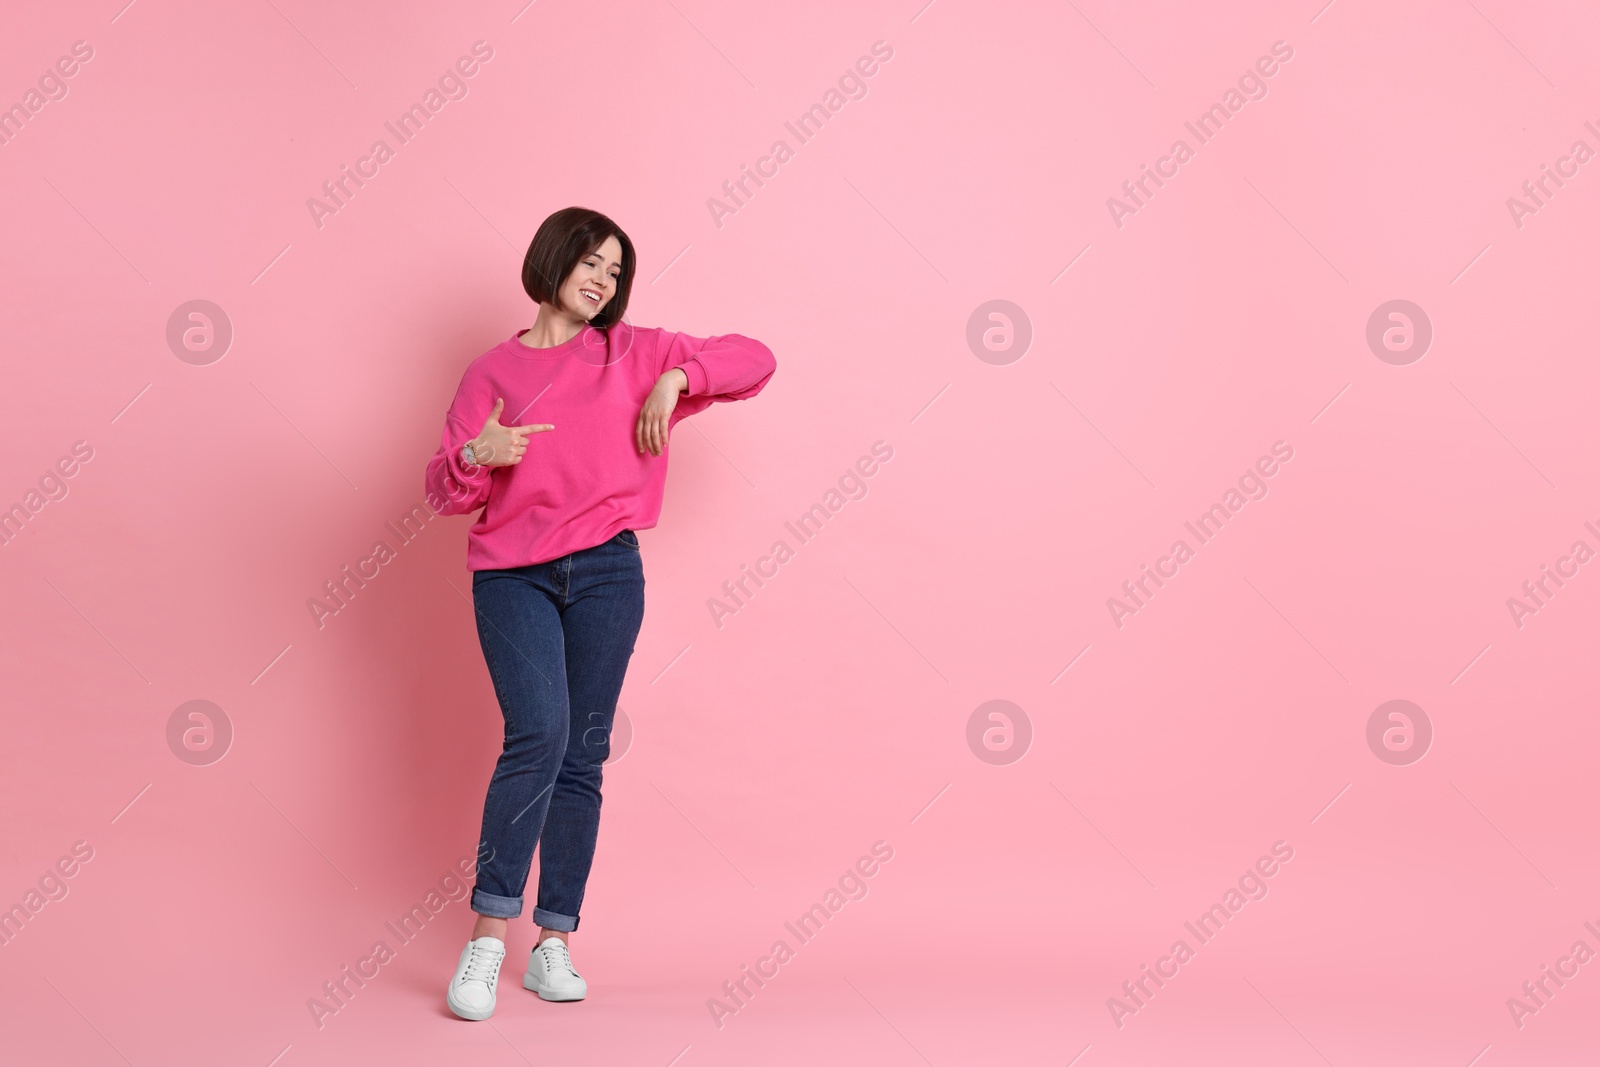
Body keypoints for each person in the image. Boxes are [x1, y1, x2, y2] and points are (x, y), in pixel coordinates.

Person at [424, 206, 776, 1020]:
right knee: (537, 732)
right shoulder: (490, 374)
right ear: (552, 260)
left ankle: (554, 942)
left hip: (610, 573)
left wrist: (677, 377)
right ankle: (487, 935)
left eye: (615, 271)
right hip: (512, 577)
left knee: (582, 750)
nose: (601, 280)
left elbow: (756, 359)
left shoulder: (635, 351)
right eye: (590, 261)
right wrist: (481, 454)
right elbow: (442, 492)